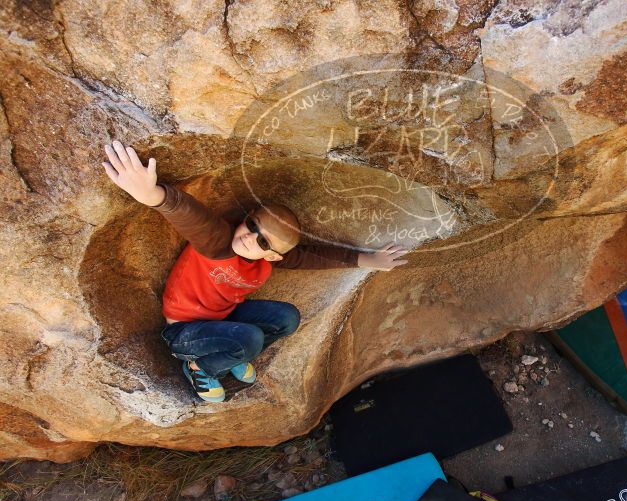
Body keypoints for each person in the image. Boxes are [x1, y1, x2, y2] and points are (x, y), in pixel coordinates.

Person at [101, 140, 409, 402]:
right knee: (249, 340)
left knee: (287, 318)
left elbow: (315, 256)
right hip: (185, 333)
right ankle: (201, 369)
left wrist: (367, 260)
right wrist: (151, 195)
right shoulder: (219, 243)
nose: (249, 237)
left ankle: (231, 354)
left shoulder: (269, 261)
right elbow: (190, 215)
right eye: (251, 225)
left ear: (273, 255)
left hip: (220, 324)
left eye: (262, 240)